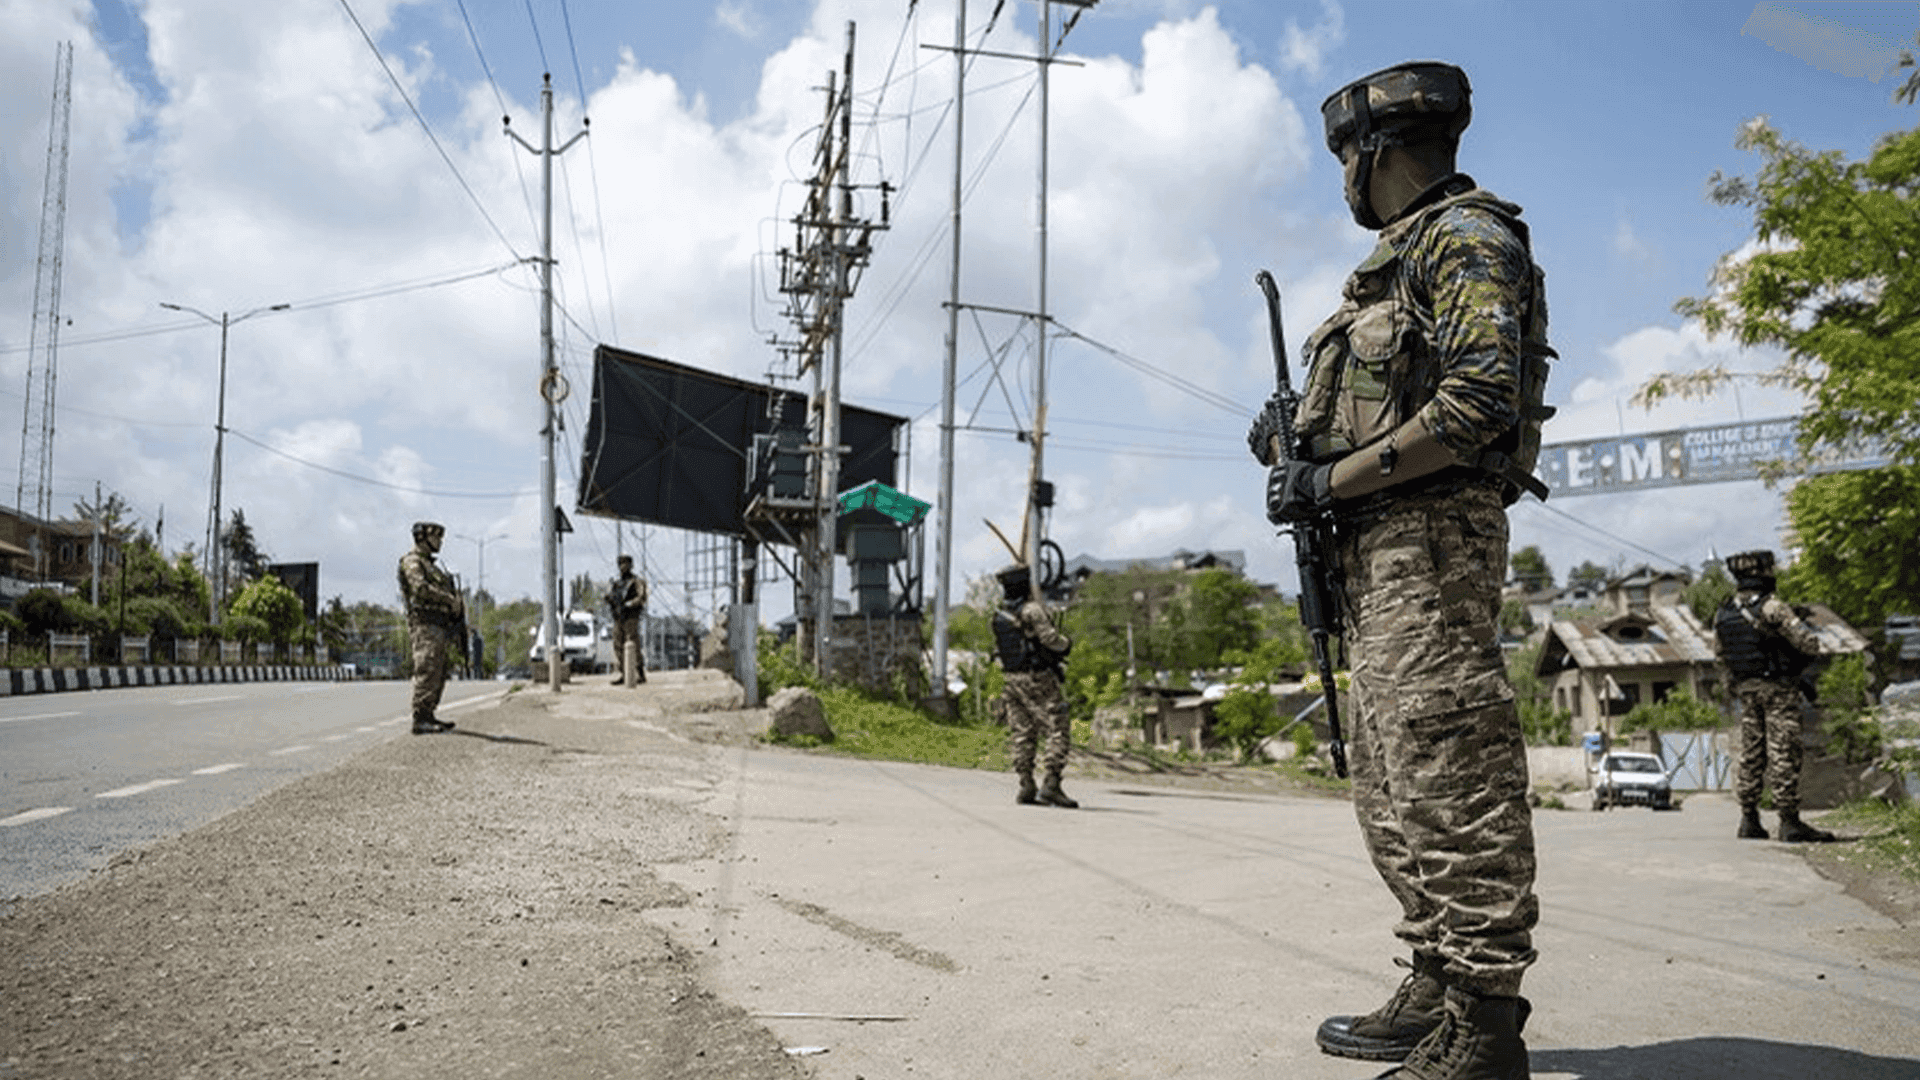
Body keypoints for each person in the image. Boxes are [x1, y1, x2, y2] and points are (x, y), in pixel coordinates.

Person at [1250, 61, 1552, 1080]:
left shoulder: (1466, 237)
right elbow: (1382, 405)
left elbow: (1477, 406)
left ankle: (1484, 1022)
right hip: (1377, 556)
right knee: (1393, 780)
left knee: (1449, 771)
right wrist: (1294, 445)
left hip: (1431, 548)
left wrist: (1330, 479)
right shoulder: (1396, 261)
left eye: (1344, 156)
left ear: (1373, 155)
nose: (1340, 178)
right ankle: (1437, 973)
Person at [1713, 549, 1835, 843]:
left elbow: (1720, 657)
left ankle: (1749, 819)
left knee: (1752, 753)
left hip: (1746, 690)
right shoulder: (1772, 608)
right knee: (1784, 751)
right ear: (1763, 573)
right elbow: (1809, 644)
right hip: (1777, 689)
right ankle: (1789, 821)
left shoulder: (1724, 612)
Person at [991, 563, 1076, 808]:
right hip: (1036, 677)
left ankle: (1026, 784)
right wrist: (1066, 644)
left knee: (1022, 731)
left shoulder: (999, 615)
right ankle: (1051, 784)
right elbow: (1049, 639)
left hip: (1011, 679)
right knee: (1057, 726)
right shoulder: (1031, 610)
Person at [398, 521, 464, 735]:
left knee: (439, 669)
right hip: (424, 624)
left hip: (439, 625)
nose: (440, 543)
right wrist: (448, 600)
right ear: (422, 538)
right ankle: (420, 718)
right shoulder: (412, 562)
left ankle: (429, 714)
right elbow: (419, 589)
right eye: (436, 538)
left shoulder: (433, 566)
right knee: (427, 667)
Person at [608, 554, 649, 684]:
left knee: (632, 643)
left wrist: (629, 604)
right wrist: (609, 600)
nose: (623, 566)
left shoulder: (636, 581)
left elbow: (641, 597)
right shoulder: (617, 583)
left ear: (631, 565)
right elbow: (612, 596)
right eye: (620, 564)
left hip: (631, 616)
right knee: (617, 644)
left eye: (626, 563)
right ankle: (624, 673)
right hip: (619, 617)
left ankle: (639, 673)